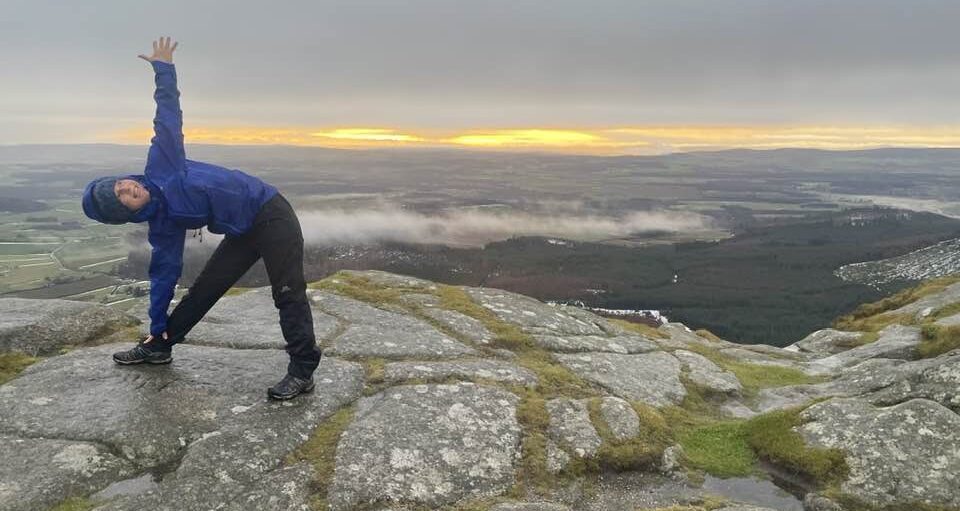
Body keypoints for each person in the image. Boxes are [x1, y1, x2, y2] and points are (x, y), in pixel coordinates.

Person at [81, 38, 322, 400]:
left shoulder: (163, 165)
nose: (127, 188)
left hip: (271, 213)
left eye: (119, 184)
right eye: (120, 198)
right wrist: (157, 325)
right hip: (244, 229)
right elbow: (163, 275)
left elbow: (167, 116)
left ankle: (303, 371)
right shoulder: (162, 225)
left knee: (287, 293)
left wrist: (163, 69)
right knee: (203, 291)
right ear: (125, 213)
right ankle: (159, 347)